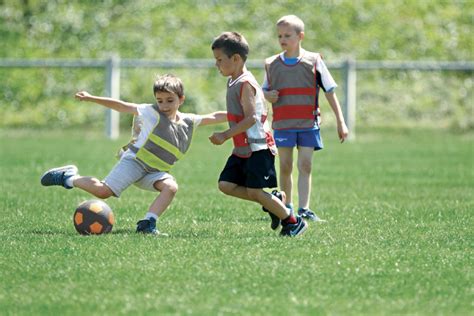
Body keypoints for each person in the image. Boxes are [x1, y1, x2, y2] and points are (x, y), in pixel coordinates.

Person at [40, 74, 227, 235]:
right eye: (160, 100)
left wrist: (241, 113)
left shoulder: (188, 121)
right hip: (135, 163)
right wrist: (91, 98)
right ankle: (69, 177)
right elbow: (122, 106)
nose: (164, 105)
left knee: (170, 187)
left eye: (170, 100)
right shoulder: (151, 112)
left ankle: (148, 223)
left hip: (156, 170)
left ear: (181, 99)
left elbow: (215, 116)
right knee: (103, 192)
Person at [209, 31, 307, 237]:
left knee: (255, 191)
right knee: (225, 185)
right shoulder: (234, 80)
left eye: (219, 60)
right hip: (243, 148)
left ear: (235, 59)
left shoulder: (246, 83)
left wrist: (225, 135)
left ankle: (292, 221)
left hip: (258, 148)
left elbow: (251, 118)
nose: (216, 64)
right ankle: (273, 203)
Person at [262, 15, 349, 222]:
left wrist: (341, 121)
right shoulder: (272, 64)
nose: (283, 39)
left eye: (287, 35)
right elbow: (261, 91)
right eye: (279, 36)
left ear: (300, 36)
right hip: (283, 124)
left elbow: (329, 91)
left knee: (306, 165)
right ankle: (287, 207)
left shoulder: (314, 61)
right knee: (285, 165)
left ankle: (304, 209)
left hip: (308, 124)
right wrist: (266, 95)